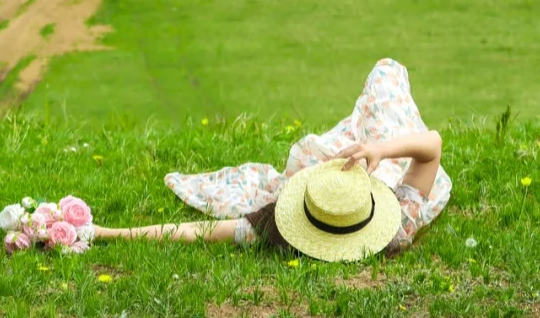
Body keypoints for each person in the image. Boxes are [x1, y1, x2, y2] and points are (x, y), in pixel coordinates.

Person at [93, 59, 450, 261]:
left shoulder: (280, 233)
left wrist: (108, 233)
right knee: (386, 76)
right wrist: (381, 152)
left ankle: (361, 142)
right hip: (383, 169)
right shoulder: (397, 229)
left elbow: (197, 233)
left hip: (360, 170)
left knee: (381, 90)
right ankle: (367, 142)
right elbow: (432, 143)